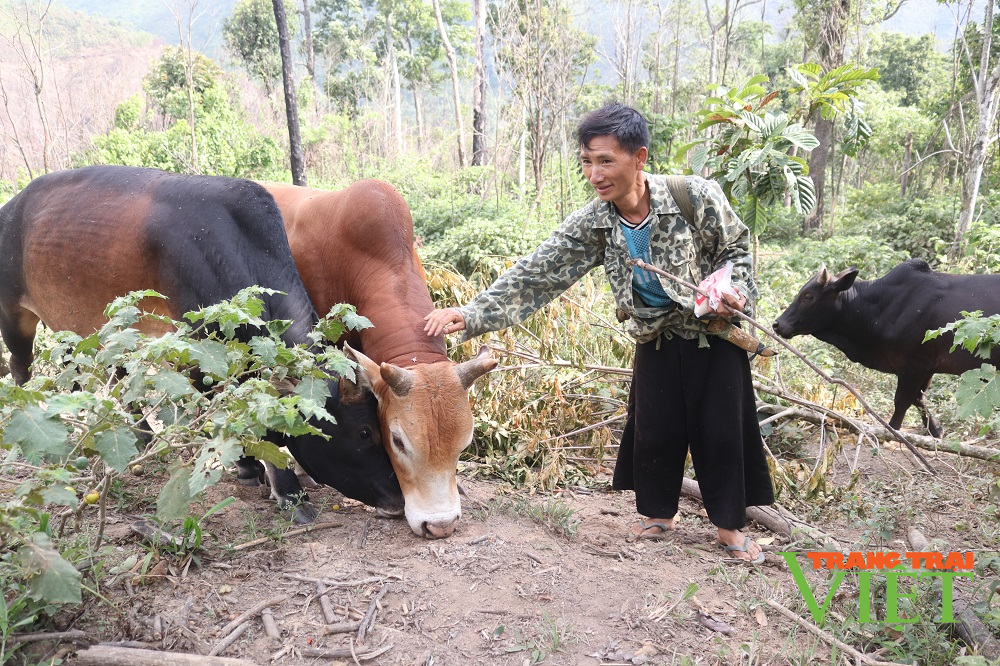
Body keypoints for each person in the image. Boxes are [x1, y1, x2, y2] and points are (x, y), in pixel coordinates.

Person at [423, 102, 774, 563]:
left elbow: (736, 249)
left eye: (606, 160)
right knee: (656, 429)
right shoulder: (597, 221)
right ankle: (658, 515)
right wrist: (472, 315)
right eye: (587, 161)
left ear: (639, 158)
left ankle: (729, 528)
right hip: (655, 337)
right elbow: (539, 272)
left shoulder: (695, 196)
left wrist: (737, 293)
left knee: (721, 432)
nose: (595, 173)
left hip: (713, 335)